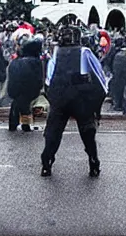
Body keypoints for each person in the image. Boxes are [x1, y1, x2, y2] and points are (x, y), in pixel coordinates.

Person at [41, 26, 107, 178]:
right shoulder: (85, 52)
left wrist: (54, 98)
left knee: (53, 132)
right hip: (80, 97)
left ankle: (46, 162)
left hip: (60, 97)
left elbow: (49, 79)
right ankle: (93, 162)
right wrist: (96, 101)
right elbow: (98, 74)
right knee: (87, 132)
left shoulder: (56, 53)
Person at [7, 37, 44, 131]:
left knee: (17, 106)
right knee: (25, 108)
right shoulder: (35, 62)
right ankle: (25, 125)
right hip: (29, 89)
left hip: (17, 89)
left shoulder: (16, 61)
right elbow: (38, 77)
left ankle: (15, 124)